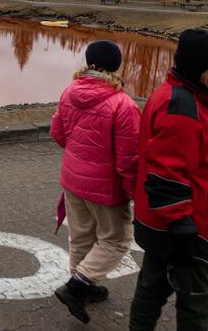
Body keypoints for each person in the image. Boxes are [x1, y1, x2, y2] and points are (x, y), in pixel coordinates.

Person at [129, 29, 208, 331]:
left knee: (152, 286)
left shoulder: (180, 95)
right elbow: (167, 171)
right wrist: (182, 225)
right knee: (195, 299)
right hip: (181, 227)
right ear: (198, 66)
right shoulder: (183, 107)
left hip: (163, 223)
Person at [50, 39, 140, 324]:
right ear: (116, 65)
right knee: (116, 240)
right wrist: (134, 191)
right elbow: (130, 158)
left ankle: (81, 284)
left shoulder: (69, 92)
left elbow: (58, 134)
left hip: (72, 178)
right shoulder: (123, 104)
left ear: (89, 62)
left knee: (81, 236)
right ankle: (79, 286)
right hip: (105, 186)